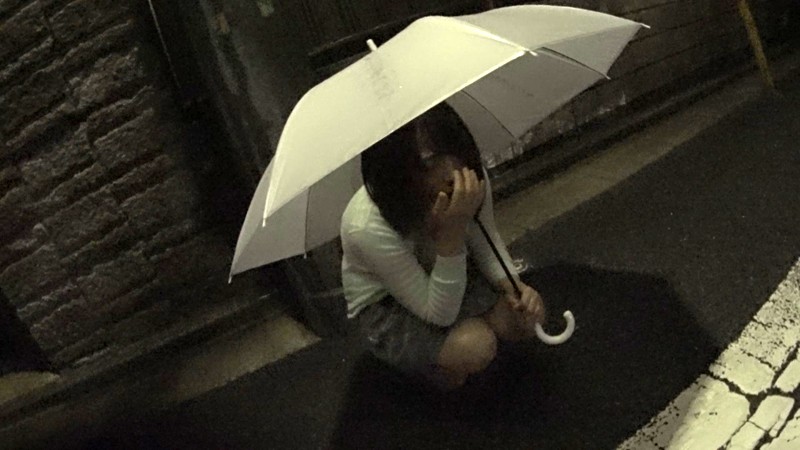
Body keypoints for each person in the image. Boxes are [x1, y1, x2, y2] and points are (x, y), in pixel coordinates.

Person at [340, 102, 546, 390]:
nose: (451, 172)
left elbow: (485, 240)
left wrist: (513, 285)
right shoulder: (366, 225)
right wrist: (451, 236)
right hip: (387, 302)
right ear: (399, 167)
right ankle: (427, 373)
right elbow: (439, 314)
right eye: (429, 162)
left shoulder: (467, 178)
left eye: (455, 151)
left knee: (524, 319)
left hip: (447, 266)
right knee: (476, 345)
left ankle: (454, 347)